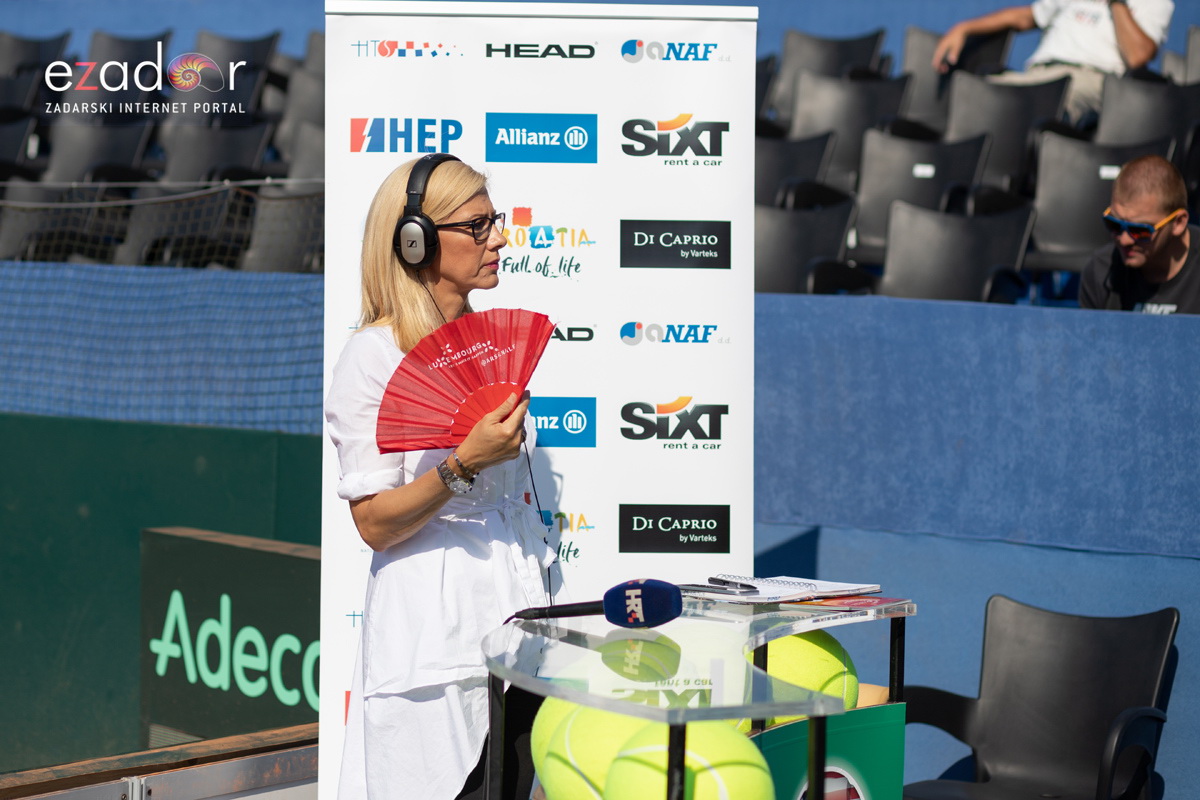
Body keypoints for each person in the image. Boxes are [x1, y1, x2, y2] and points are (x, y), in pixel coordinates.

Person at [326, 154, 561, 800]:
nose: (499, 239)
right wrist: (462, 465)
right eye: (478, 226)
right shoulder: (372, 356)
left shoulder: (484, 346)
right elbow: (374, 523)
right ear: (416, 243)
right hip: (430, 647)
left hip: (514, 622)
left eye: (496, 221)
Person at [932, 0, 1175, 124]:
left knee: (1038, 102)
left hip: (1090, 81)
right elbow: (1025, 17)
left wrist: (1117, 2)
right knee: (975, 94)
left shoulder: (1154, 3)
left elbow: (1139, 55)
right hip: (1038, 74)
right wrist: (964, 28)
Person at [1079, 154, 1199, 314]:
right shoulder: (1101, 271)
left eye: (1139, 230)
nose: (1124, 240)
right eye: (1114, 224)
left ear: (1178, 223)